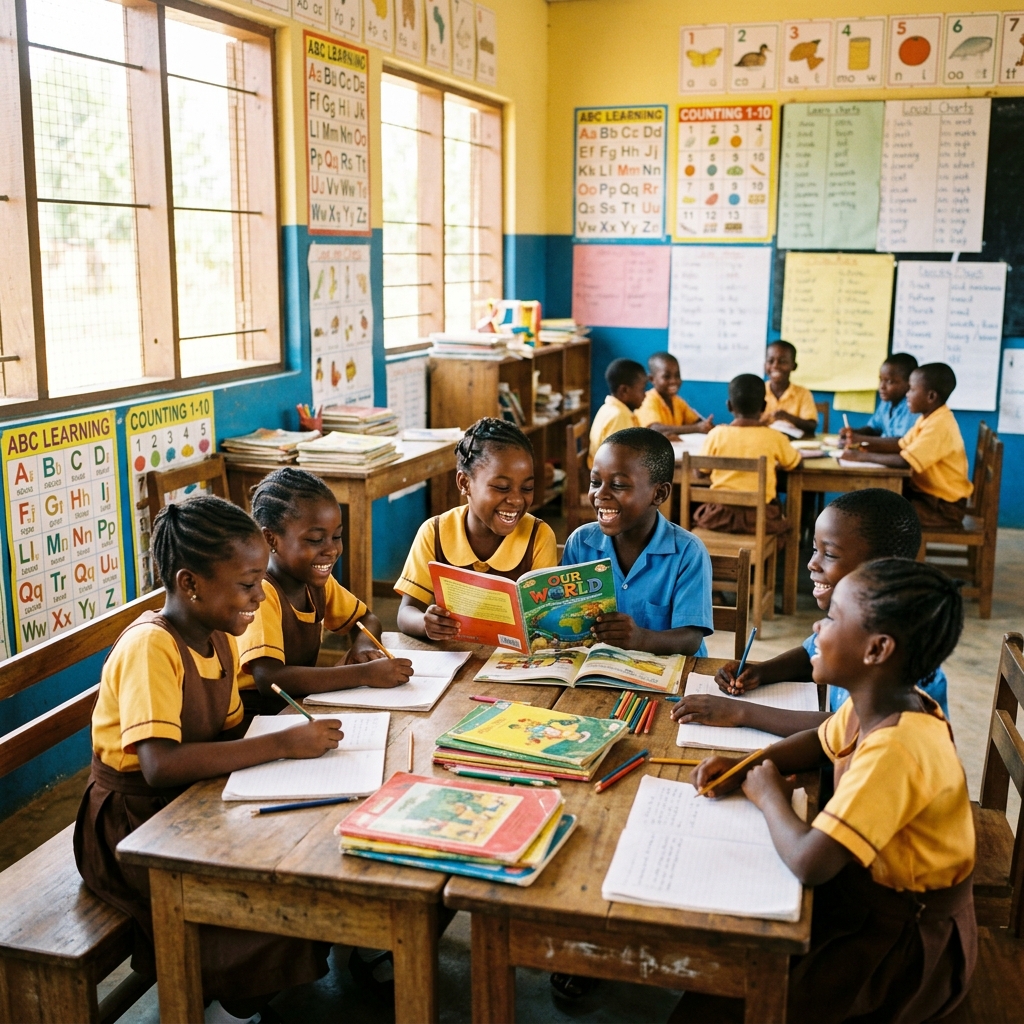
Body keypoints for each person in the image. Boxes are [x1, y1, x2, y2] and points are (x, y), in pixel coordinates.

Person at [74, 496, 337, 1023]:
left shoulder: (219, 637)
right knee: (253, 911)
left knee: (299, 863)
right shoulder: (151, 647)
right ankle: (218, 1003)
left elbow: (234, 729)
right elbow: (158, 765)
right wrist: (283, 745)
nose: (260, 596)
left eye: (261, 580)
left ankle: (241, 995)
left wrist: (301, 749)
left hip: (188, 804)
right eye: (246, 584)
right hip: (131, 827)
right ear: (190, 583)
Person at [693, 559, 975, 1024]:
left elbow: (810, 863)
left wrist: (769, 795)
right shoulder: (881, 702)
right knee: (716, 988)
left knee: (736, 1001)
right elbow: (815, 744)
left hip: (899, 945)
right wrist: (745, 765)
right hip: (864, 898)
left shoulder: (899, 748)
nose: (816, 627)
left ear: (877, 649)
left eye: (832, 617)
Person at [672, 490, 951, 740]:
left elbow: (844, 728)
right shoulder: (855, 615)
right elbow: (810, 654)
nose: (811, 563)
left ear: (883, 567)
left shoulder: (897, 653)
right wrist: (762, 671)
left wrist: (740, 712)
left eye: (829, 554)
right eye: (815, 549)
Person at [238, 467, 412, 714]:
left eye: (336, 536)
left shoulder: (314, 581)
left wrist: (363, 646)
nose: (331, 550)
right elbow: (269, 679)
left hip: (297, 704)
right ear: (270, 540)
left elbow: (366, 619)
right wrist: (362, 673)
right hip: (256, 715)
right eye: (315, 540)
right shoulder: (261, 594)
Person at [395, 418, 558, 641]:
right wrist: (426, 623)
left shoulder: (538, 536)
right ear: (464, 483)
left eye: (527, 487)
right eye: (502, 487)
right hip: (455, 659)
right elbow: (406, 613)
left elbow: (546, 620)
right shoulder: (434, 533)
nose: (517, 500)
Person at [562, 427, 713, 657]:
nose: (600, 494)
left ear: (659, 494)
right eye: (595, 482)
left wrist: (641, 638)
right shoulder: (580, 544)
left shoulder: (687, 553)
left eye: (619, 485)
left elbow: (691, 638)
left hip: (670, 676)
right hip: (602, 672)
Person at [841, 363, 973, 528]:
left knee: (877, 515)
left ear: (931, 396)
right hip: (927, 497)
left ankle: (891, 553)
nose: (907, 395)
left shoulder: (940, 425)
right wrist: (861, 443)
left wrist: (860, 457)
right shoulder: (928, 418)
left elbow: (906, 461)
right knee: (873, 503)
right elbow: (900, 444)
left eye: (911, 390)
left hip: (943, 507)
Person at [691, 372, 802, 535]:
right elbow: (797, 464)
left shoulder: (716, 434)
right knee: (784, 525)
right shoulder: (774, 437)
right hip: (759, 520)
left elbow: (699, 473)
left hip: (720, 517)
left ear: (729, 406)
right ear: (764, 407)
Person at [838, 353, 919, 441]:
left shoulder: (912, 407)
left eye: (889, 381)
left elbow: (900, 442)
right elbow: (874, 429)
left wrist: (860, 439)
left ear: (909, 383)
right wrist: (854, 432)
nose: (881, 386)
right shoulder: (886, 402)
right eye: (881, 380)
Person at [636, 351, 713, 436]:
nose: (673, 381)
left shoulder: (678, 401)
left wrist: (716, 428)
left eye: (677, 376)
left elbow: (699, 423)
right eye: (666, 377)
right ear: (652, 379)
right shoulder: (647, 400)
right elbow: (654, 428)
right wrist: (696, 428)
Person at [588, 358, 646, 467]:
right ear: (624, 391)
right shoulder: (619, 416)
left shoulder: (608, 408)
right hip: (609, 477)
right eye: (642, 389)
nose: (645, 395)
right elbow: (618, 460)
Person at [763, 340, 819, 437]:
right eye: (770, 361)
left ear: (794, 366)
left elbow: (811, 426)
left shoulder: (803, 393)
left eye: (782, 362)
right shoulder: (758, 391)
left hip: (793, 445)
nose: (775, 365)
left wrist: (787, 417)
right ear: (765, 365)